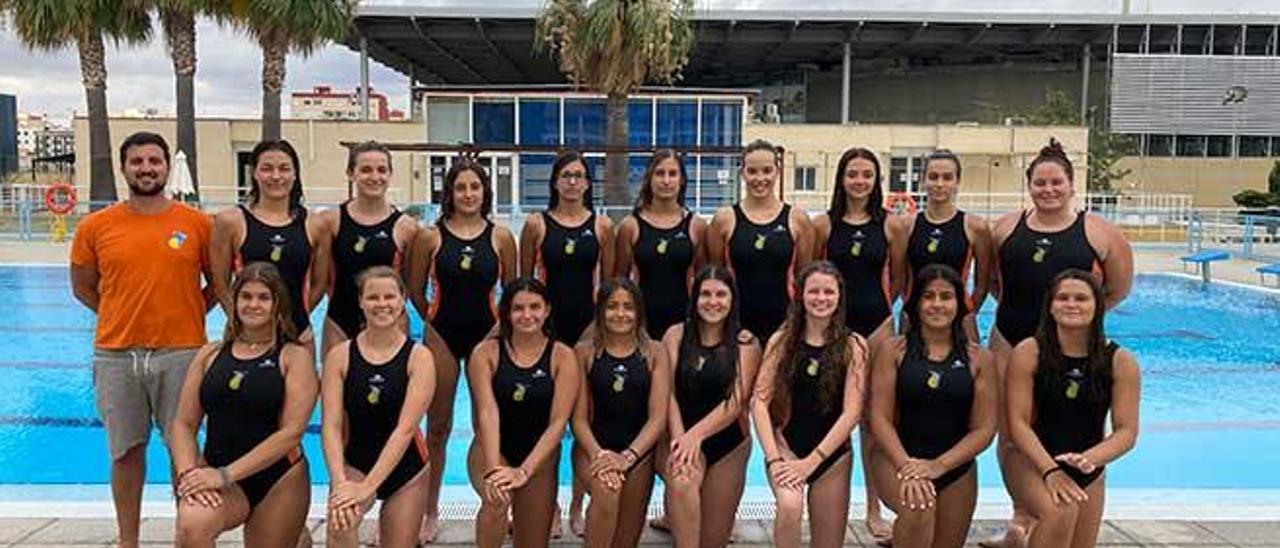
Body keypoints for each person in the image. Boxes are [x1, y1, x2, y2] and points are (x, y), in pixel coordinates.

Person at [984, 139, 1134, 548]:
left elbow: (1118, 288)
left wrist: (1074, 319)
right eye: (1039, 183)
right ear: (1028, 185)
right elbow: (996, 283)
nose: (1048, 190)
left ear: (1072, 185)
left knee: (1082, 424)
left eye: (1056, 182)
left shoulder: (1099, 232)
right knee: (1012, 430)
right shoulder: (1006, 228)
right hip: (1011, 339)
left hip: (1074, 345)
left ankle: (1067, 506)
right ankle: (1023, 516)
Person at [69, 131, 214, 548]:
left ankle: (185, 535)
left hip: (181, 352)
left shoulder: (196, 224)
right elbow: (83, 287)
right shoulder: (96, 226)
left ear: (167, 167)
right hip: (117, 354)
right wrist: (119, 315)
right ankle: (128, 540)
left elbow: (218, 284)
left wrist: (190, 312)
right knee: (126, 453)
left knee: (182, 451)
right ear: (124, 167)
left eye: (154, 161)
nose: (146, 168)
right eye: (137, 162)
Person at [406, 158, 517, 542]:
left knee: (494, 424)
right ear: (449, 193)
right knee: (437, 427)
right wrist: (432, 325)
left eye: (475, 187)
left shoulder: (501, 237)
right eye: (461, 187)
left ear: (485, 191)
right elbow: (414, 289)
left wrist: (498, 333)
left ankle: (498, 502)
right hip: (442, 336)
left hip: (487, 335)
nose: (468, 194)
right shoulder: (430, 238)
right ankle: (430, 510)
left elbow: (513, 294)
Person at [169, 262, 317, 547]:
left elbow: (291, 434)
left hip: (278, 479)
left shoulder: (293, 357)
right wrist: (190, 474)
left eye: (263, 297)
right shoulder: (209, 355)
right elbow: (183, 424)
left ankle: (297, 537)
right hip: (217, 474)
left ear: (277, 305)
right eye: (246, 296)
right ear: (234, 302)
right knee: (192, 524)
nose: (254, 304)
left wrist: (224, 475)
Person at [1006, 270, 1140, 548]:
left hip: (1088, 465)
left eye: (1081, 298)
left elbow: (1126, 431)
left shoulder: (1119, 361)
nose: (1071, 304)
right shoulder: (1029, 352)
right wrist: (1050, 471)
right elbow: (1017, 423)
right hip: (1031, 461)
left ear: (1097, 306)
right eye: (1062, 298)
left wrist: (1090, 458)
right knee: (1059, 512)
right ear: (1050, 306)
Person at [811, 146, 905, 540]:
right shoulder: (823, 226)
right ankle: (824, 499)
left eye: (867, 174)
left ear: (876, 180)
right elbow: (812, 278)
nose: (860, 181)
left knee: (872, 421)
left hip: (877, 326)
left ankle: (872, 506)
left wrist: (882, 315)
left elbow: (898, 278)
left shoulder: (891, 226)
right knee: (831, 414)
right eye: (853, 174)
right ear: (841, 178)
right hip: (833, 331)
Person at [868, 264, 997, 547]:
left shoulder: (980, 359)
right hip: (896, 460)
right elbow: (879, 418)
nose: (937, 304)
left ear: (959, 304)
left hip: (955, 468)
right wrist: (908, 467)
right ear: (916, 303)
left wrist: (939, 466)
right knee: (918, 508)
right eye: (929, 296)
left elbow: (985, 429)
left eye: (946, 297)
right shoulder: (893, 351)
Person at [518, 150, 613, 534]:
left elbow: (609, 285)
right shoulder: (536, 225)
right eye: (566, 176)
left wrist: (596, 330)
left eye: (579, 176)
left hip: (588, 332)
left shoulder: (602, 226)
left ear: (588, 183)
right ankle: (550, 504)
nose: (572, 182)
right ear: (555, 182)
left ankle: (578, 502)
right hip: (548, 335)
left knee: (585, 418)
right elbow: (524, 285)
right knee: (548, 420)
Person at [752, 261, 868, 548]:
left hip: (831, 458)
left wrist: (812, 462)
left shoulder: (854, 346)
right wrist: (774, 458)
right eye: (813, 291)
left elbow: (853, 411)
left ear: (839, 297)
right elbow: (759, 401)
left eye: (828, 292)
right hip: (785, 449)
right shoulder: (782, 341)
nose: (821, 298)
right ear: (800, 295)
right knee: (790, 507)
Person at [321, 266, 436, 548]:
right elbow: (331, 426)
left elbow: (405, 429)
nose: (382, 304)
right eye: (373, 297)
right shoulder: (341, 356)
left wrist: (368, 488)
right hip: (354, 463)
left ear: (402, 301)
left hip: (407, 468)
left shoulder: (419, 358)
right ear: (360, 301)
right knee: (341, 519)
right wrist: (340, 482)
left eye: (389, 297)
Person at [467, 277, 580, 548]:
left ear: (547, 310)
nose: (527, 315)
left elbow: (558, 423)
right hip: (491, 449)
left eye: (534, 307)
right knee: (497, 501)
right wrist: (495, 468)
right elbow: (487, 412)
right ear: (506, 312)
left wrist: (525, 471)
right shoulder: (486, 353)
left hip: (538, 458)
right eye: (518, 308)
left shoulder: (562, 357)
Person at [661, 266, 760, 548]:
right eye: (705, 294)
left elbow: (736, 401)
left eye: (720, 294)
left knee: (711, 541)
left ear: (732, 300)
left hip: (728, 444)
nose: (712, 302)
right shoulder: (675, 336)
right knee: (682, 480)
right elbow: (666, 393)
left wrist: (696, 436)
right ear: (694, 298)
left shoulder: (746, 343)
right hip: (681, 434)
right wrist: (681, 438)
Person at [571, 279, 670, 548]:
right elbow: (578, 420)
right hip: (593, 450)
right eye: (612, 306)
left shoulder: (655, 352)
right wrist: (601, 455)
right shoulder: (584, 353)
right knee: (606, 490)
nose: (621, 313)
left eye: (628, 307)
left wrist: (628, 457)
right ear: (600, 311)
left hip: (638, 454)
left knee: (625, 541)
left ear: (639, 312)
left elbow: (658, 418)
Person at [210, 140, 328, 349]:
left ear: (295, 174)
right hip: (244, 337)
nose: (276, 176)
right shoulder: (230, 222)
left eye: (284, 169)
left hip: (298, 334)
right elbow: (220, 283)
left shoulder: (315, 224)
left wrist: (292, 316)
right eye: (267, 168)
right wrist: (240, 320)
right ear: (254, 173)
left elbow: (320, 283)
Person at [318, 141, 419, 357]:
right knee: (335, 389)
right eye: (365, 170)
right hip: (340, 322)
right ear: (350, 173)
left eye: (382, 170)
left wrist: (388, 314)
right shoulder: (330, 221)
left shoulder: (407, 228)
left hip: (392, 324)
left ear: (390, 174)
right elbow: (322, 279)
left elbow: (410, 286)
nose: (375, 177)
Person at [708, 139, 813, 344]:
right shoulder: (724, 220)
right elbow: (715, 277)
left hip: (785, 327)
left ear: (777, 172)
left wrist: (794, 325)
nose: (760, 178)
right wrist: (730, 326)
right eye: (752, 171)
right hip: (736, 327)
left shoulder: (798, 220)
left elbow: (804, 280)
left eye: (767, 171)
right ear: (742, 172)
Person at [897, 149, 993, 343]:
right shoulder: (905, 225)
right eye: (933, 177)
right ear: (923, 181)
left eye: (947, 177)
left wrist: (966, 311)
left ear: (957, 182)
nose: (939, 184)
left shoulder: (975, 227)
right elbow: (900, 278)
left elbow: (983, 283)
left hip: (960, 319)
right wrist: (911, 307)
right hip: (914, 317)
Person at [614, 150, 707, 340]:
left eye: (672, 174)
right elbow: (619, 281)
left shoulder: (697, 226)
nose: (666, 181)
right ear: (649, 178)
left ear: (682, 180)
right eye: (659, 173)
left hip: (684, 321)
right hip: (642, 322)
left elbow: (704, 279)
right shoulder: (630, 226)